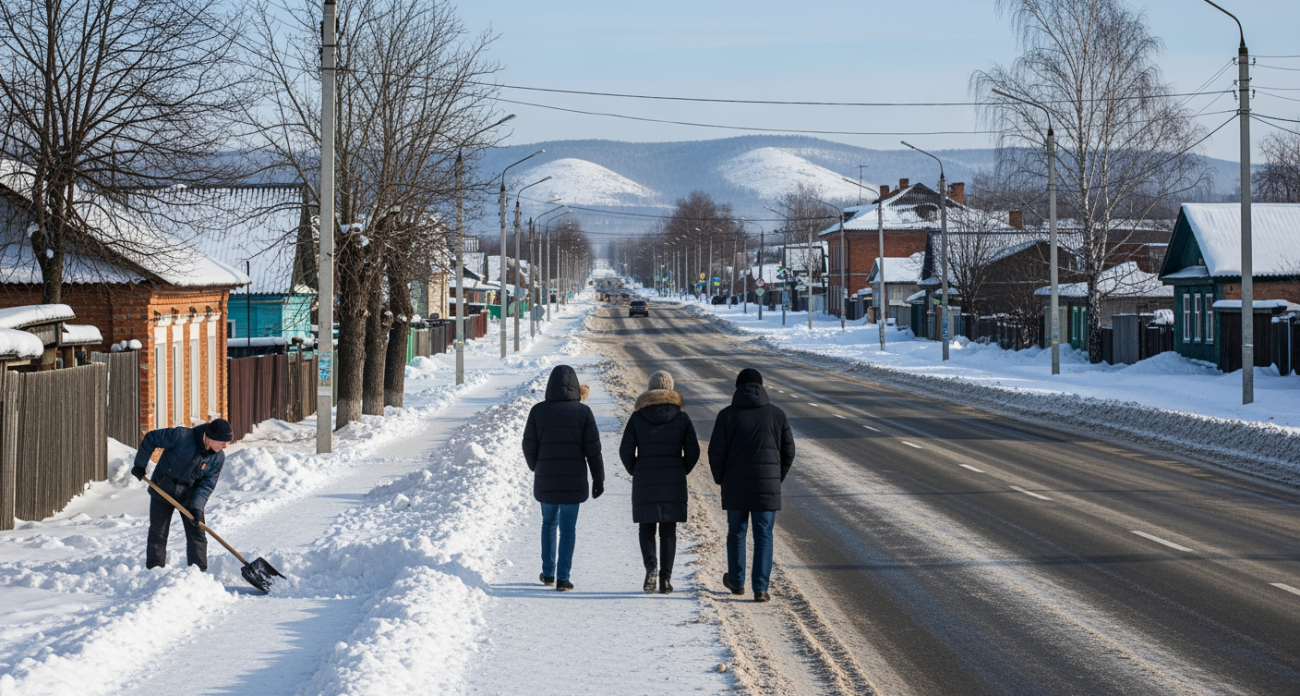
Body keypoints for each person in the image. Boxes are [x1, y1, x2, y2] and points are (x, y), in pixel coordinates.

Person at [708, 368, 795, 602]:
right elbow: (789, 451)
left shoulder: (726, 415)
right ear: (762, 387)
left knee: (736, 532)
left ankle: (736, 582)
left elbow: (715, 453)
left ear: (737, 388)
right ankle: (761, 589)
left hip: (735, 486)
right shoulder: (777, 414)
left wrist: (722, 480)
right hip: (767, 487)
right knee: (763, 535)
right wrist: (776, 478)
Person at [522, 364, 604, 591]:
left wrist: (536, 467)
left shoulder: (538, 411)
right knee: (568, 528)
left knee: (548, 523)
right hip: (573, 480)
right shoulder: (583, 412)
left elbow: (528, 445)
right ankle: (563, 578)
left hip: (546, 479)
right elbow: (593, 449)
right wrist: (599, 478)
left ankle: (548, 573)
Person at [619, 370, 700, 594]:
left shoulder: (637, 417)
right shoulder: (682, 418)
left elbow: (625, 450)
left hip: (645, 478)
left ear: (649, 389)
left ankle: (650, 565)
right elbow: (693, 450)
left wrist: (636, 469)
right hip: (673, 479)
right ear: (671, 390)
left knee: (646, 528)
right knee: (668, 530)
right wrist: (681, 468)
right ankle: (665, 580)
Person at [130, 418, 234, 572]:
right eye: (222, 441)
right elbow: (151, 438)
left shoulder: (218, 457)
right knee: (158, 533)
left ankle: (198, 574)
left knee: (197, 534)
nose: (225, 446)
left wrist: (197, 508)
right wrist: (140, 464)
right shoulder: (181, 436)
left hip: (189, 495)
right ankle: (155, 571)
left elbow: (207, 485)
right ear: (210, 437)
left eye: (227, 442)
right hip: (163, 490)